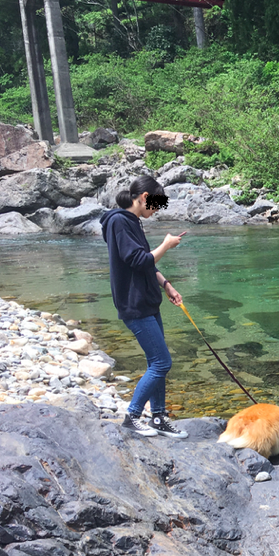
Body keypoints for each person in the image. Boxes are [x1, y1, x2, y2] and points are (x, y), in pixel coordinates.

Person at [99, 175, 189, 439]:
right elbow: (138, 260)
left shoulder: (133, 222)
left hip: (148, 301)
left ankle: (159, 417)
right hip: (134, 304)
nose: (156, 212)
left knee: (156, 361)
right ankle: (133, 416)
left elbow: (147, 264)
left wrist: (167, 285)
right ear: (144, 198)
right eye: (155, 206)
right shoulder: (118, 222)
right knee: (162, 363)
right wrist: (167, 245)